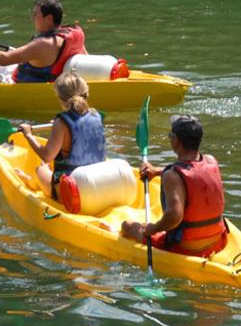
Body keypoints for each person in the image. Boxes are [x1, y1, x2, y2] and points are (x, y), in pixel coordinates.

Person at [121, 115, 228, 257]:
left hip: (186, 248)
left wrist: (152, 229)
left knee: (127, 225)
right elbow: (193, 171)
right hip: (218, 241)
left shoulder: (172, 176)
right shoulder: (210, 160)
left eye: (171, 135)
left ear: (176, 141)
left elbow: (174, 217)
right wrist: (157, 171)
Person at [17, 73, 105, 199]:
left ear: (60, 98)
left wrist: (28, 135)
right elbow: (81, 131)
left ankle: (32, 181)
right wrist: (58, 126)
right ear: (86, 93)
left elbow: (47, 156)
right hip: (98, 183)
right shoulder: (97, 115)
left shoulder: (61, 122)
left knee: (41, 168)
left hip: (71, 193)